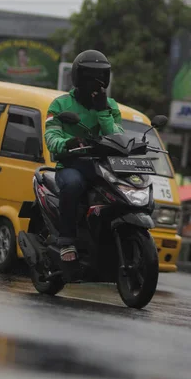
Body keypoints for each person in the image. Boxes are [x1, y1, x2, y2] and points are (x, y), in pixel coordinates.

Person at [44, 50, 123, 267]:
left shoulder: (111, 106)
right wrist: (67, 143)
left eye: (99, 77)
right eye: (89, 77)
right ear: (78, 77)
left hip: (102, 165)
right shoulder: (60, 105)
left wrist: (102, 112)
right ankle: (67, 240)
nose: (94, 83)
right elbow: (51, 137)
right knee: (72, 185)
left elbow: (116, 137)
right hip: (71, 164)